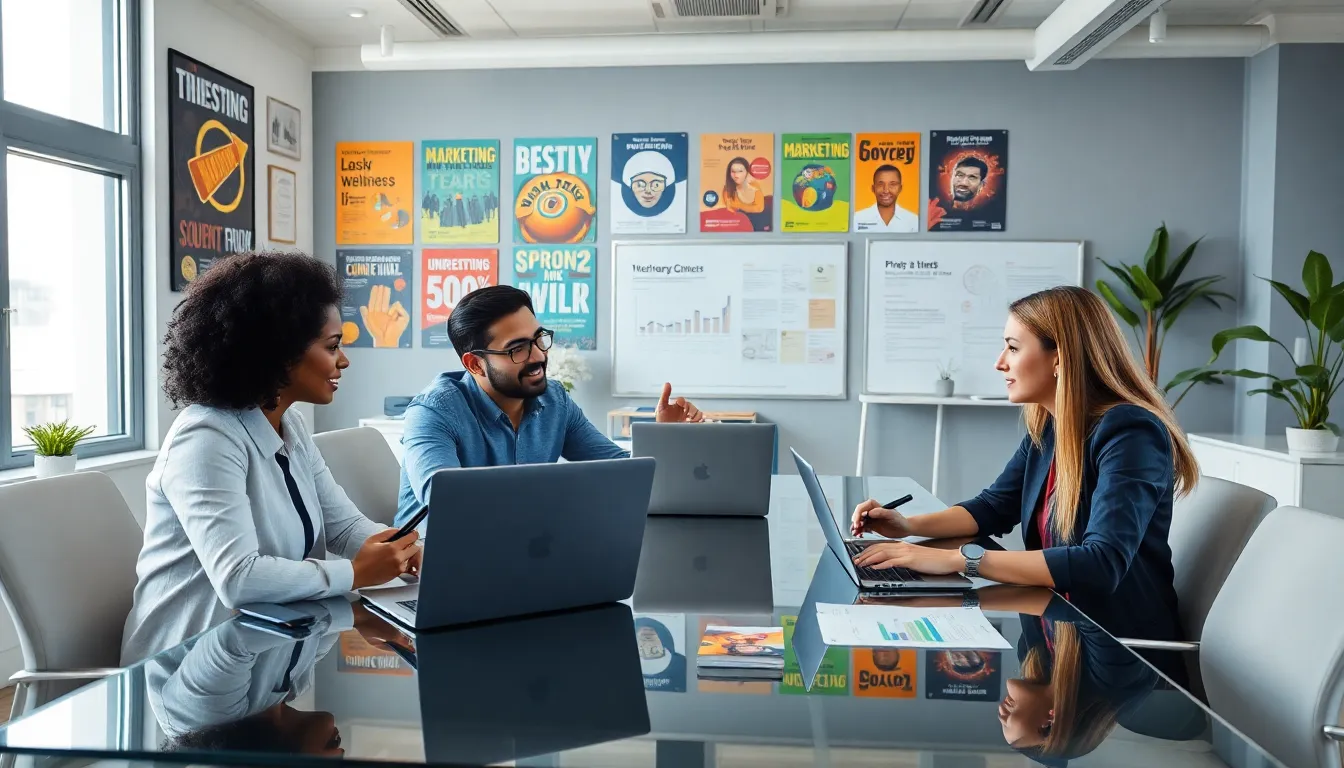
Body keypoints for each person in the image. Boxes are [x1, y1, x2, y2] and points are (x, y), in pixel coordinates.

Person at [850, 285, 1198, 641]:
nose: (1000, 362)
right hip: (1057, 627)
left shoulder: (1130, 433)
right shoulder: (1051, 426)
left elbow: (1100, 563)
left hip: (1118, 649)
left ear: (1059, 357)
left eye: (1013, 348)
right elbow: (993, 507)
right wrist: (907, 526)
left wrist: (961, 560)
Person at [121, 252, 421, 665]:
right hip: (184, 668)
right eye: (332, 346)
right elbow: (239, 579)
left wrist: (401, 547)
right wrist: (356, 573)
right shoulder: (205, 438)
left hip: (268, 651)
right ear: (278, 353)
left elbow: (345, 525)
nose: (344, 360)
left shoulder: (289, 424)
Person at [396, 284, 705, 528]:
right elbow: (450, 506)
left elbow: (622, 471)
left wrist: (665, 438)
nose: (538, 357)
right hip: (427, 569)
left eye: (538, 339)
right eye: (517, 349)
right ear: (475, 364)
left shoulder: (553, 400)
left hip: (524, 554)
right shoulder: (432, 413)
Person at [852, 164, 918, 232]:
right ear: (873, 188)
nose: (886, 190)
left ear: (900, 188)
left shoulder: (914, 221)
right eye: (880, 184)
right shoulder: (857, 219)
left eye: (892, 184)